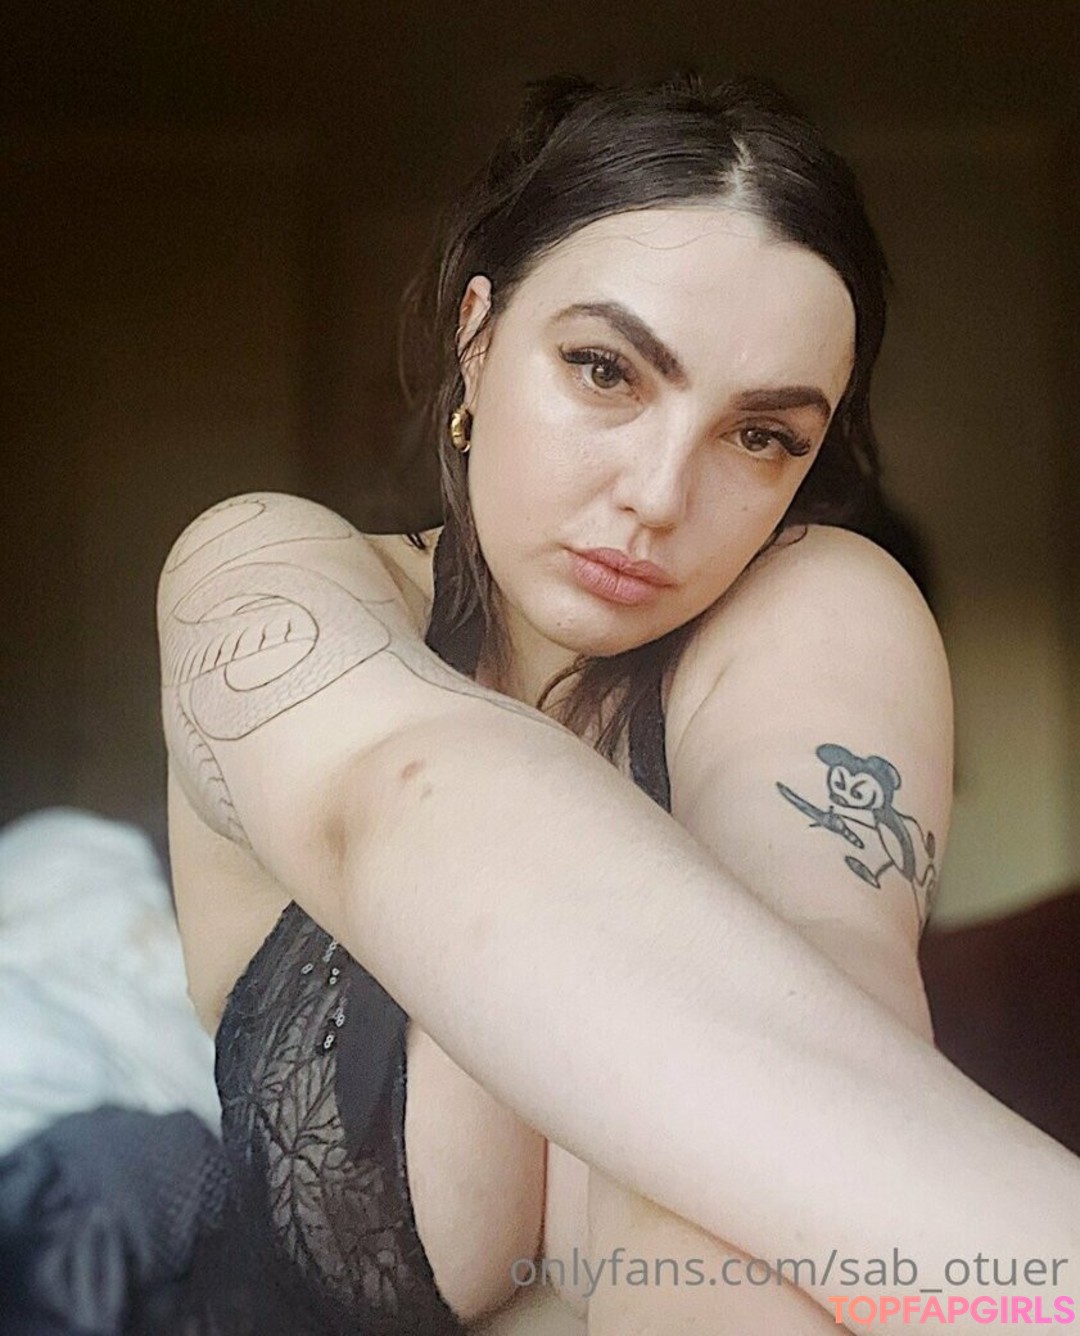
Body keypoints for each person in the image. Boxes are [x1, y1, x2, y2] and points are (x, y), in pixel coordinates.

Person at [158, 74, 1080, 1335]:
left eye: (761, 435)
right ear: (478, 336)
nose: (659, 494)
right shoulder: (259, 568)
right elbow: (406, 796)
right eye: (605, 370)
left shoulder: (823, 610)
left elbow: (809, 1024)